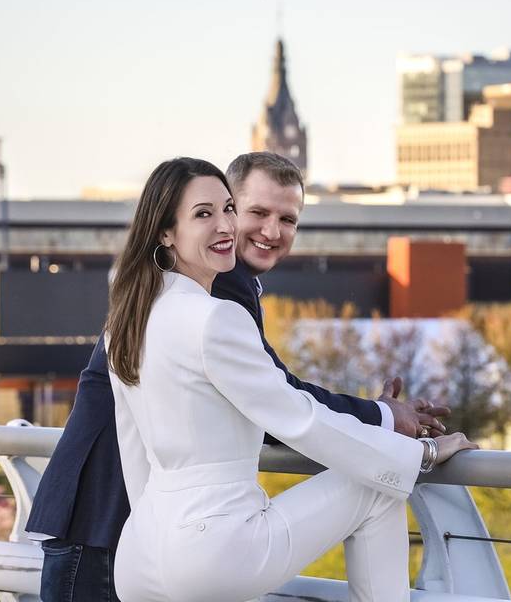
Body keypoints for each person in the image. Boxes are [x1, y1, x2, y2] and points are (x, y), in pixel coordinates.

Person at [26, 152, 452, 601]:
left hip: (140, 547)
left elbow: (136, 447)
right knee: (376, 485)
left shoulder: (135, 310)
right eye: (213, 213)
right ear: (167, 233)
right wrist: (413, 449)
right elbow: (289, 412)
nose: (250, 228)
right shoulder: (217, 309)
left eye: (228, 209)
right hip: (160, 542)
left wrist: (149, 528)